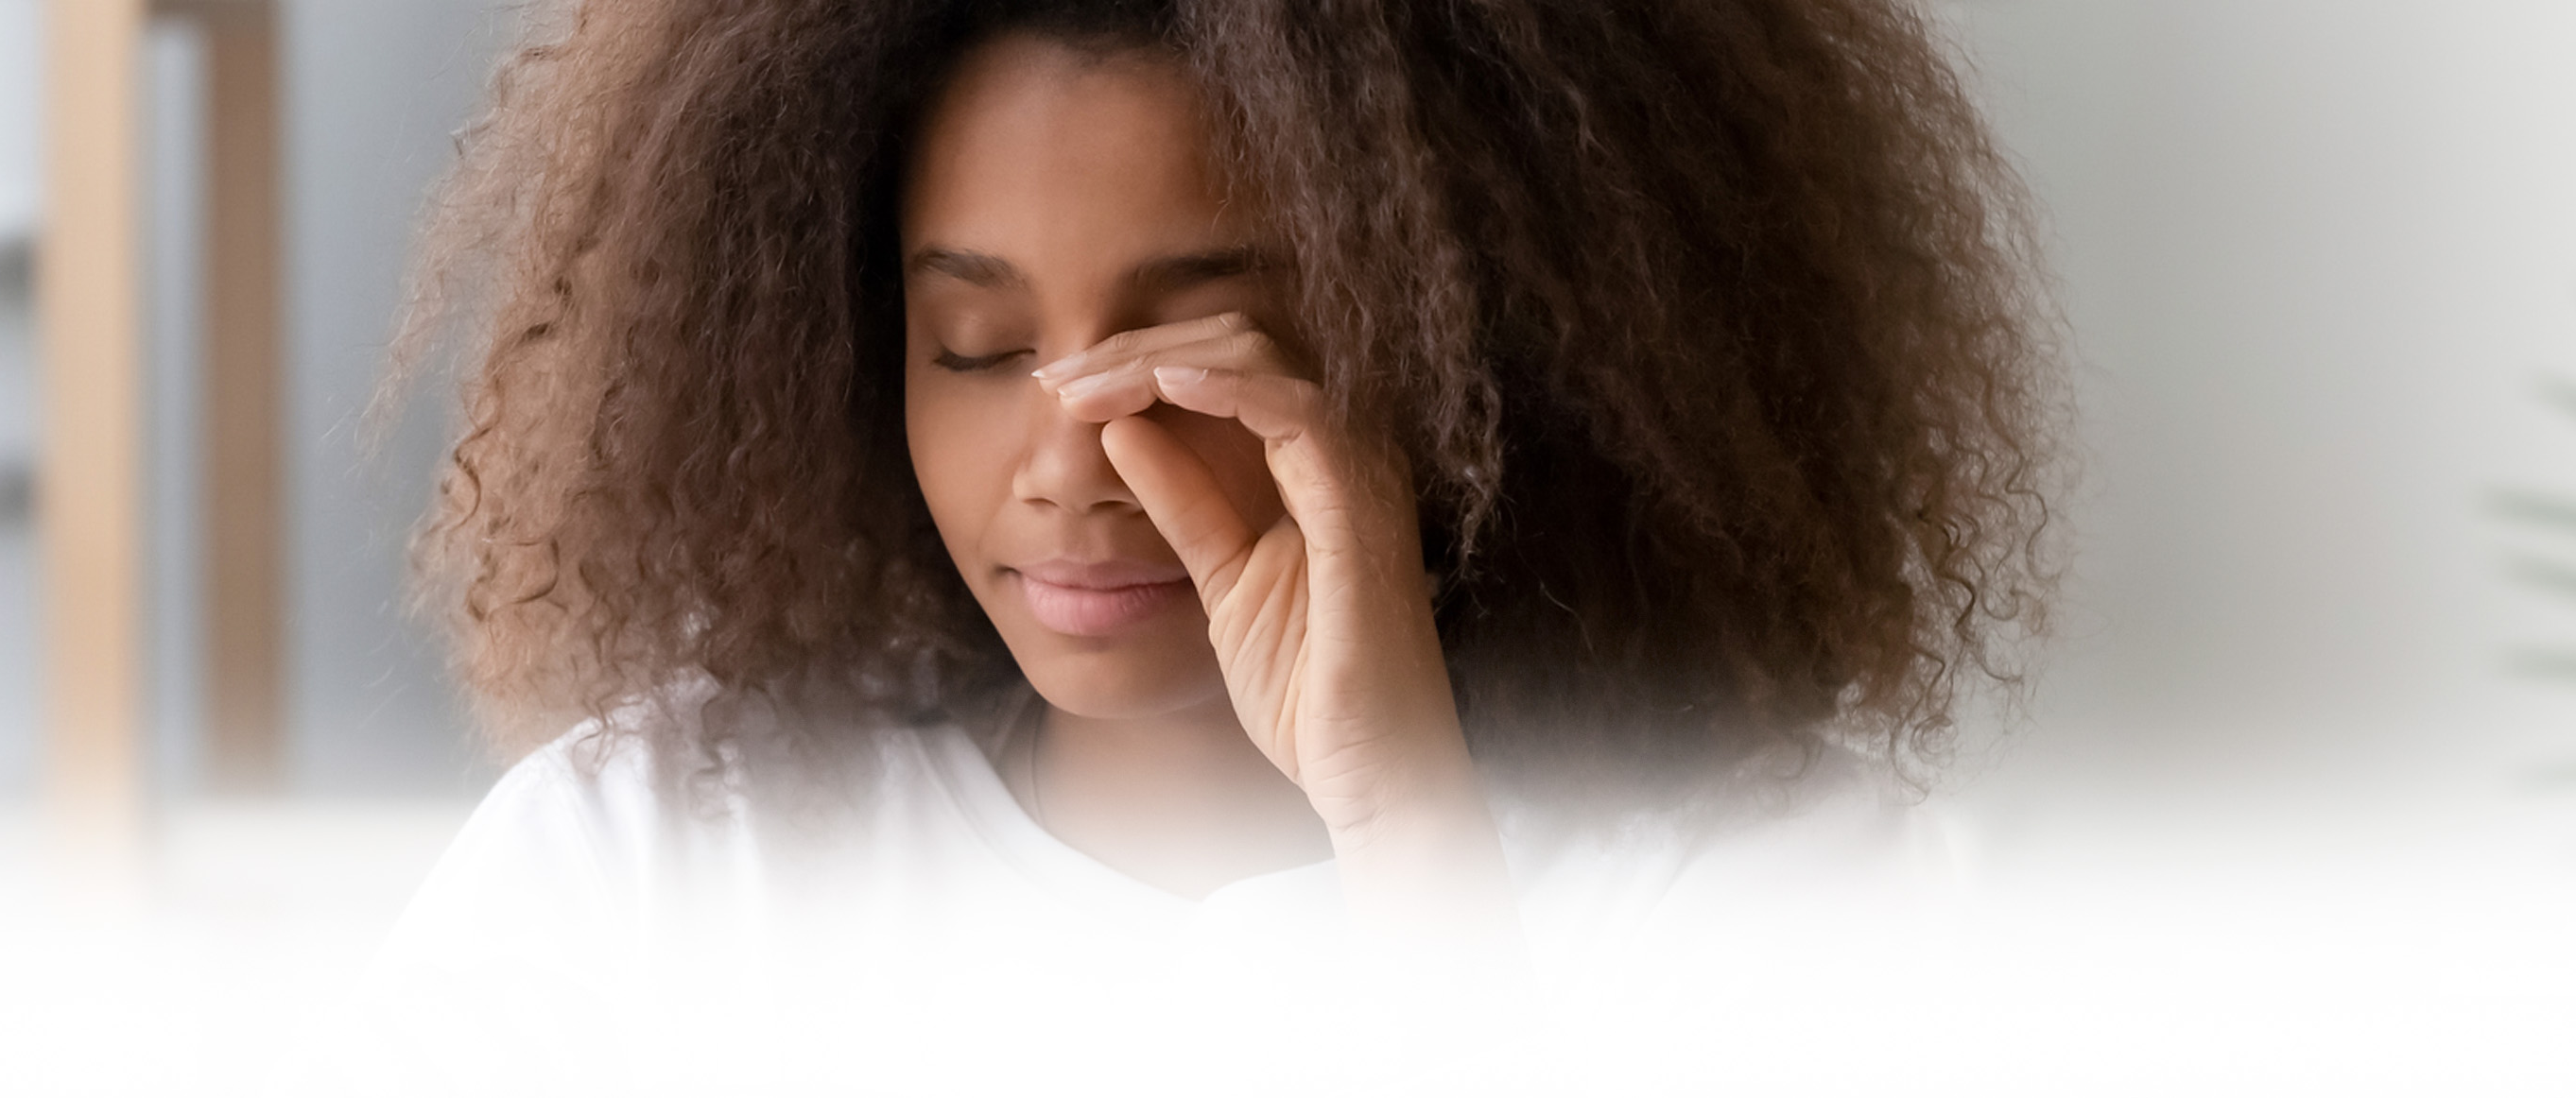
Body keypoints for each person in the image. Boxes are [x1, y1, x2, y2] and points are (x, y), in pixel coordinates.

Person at [316, 0, 2055, 1089]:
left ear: (1480, 358)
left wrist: (1407, 833)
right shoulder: (647, 856)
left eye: (1197, 361)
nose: (1074, 460)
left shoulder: (1773, 888)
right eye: (979, 352)